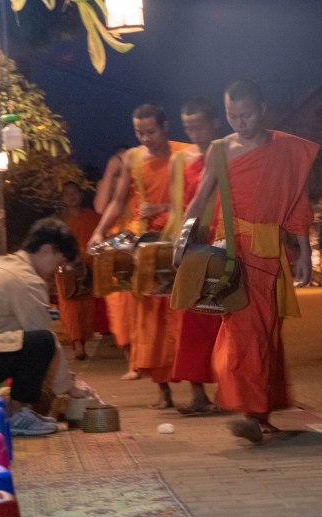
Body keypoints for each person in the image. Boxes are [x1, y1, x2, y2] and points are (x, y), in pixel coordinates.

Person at [184, 79, 318, 442]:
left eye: (246, 115)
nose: (240, 123)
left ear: (262, 110)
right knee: (246, 333)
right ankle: (252, 414)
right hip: (233, 255)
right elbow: (200, 197)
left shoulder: (285, 148)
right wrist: (183, 240)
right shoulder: (220, 150)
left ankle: (260, 412)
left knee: (266, 334)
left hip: (272, 253)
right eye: (232, 115)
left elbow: (298, 202)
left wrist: (305, 252)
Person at [89, 103, 188, 408]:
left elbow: (198, 198)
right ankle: (163, 392)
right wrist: (98, 231)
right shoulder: (133, 158)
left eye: (151, 131)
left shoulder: (184, 154)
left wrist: (163, 208)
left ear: (166, 127)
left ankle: (198, 390)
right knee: (151, 322)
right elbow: (118, 201)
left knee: (183, 316)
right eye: (139, 132)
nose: (145, 138)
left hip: (178, 240)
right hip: (146, 246)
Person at [0, 218, 78, 436]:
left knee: (22, 340)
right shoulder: (26, 280)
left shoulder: (2, 263)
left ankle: (17, 411)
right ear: (46, 250)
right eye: (58, 263)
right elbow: (46, 338)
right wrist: (70, 388)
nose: (56, 271)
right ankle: (18, 415)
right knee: (42, 342)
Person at [169, 97, 224, 416]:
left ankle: (231, 391)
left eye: (199, 126)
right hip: (195, 241)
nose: (194, 133)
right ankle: (198, 393)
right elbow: (181, 204)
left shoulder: (229, 152)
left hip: (225, 239)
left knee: (225, 318)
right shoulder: (183, 160)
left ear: (215, 123)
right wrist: (180, 240)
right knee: (192, 317)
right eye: (188, 127)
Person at [93, 144, 138, 380]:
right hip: (115, 250)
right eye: (118, 161)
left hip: (137, 245)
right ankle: (131, 362)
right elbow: (101, 207)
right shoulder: (108, 184)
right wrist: (110, 174)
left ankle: (145, 360)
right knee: (119, 307)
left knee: (140, 306)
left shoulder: (140, 182)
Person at [55, 181, 101, 360]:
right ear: (62, 199)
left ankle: (83, 339)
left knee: (87, 307)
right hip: (67, 268)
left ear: (81, 195)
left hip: (89, 267)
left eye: (74, 192)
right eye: (67, 194)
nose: (71, 196)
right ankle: (77, 343)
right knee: (69, 305)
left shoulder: (93, 217)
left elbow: (101, 238)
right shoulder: (58, 221)